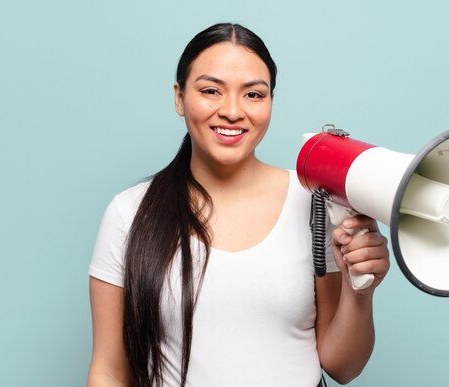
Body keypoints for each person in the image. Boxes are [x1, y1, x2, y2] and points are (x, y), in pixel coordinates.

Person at [87, 22, 390, 387]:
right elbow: (108, 371)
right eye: (211, 90)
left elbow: (343, 367)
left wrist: (360, 293)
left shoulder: (313, 202)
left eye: (254, 95)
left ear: (271, 103)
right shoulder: (130, 213)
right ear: (179, 97)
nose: (232, 111)